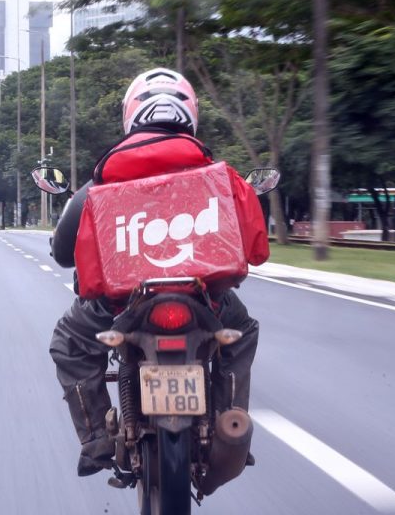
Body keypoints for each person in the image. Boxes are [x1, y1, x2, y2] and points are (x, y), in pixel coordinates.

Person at [48, 68, 268, 477]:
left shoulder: (99, 183)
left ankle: (97, 437)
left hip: (120, 303)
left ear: (130, 115)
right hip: (206, 301)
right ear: (191, 117)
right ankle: (229, 422)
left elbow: (63, 253)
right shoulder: (222, 177)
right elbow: (256, 250)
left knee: (70, 342)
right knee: (243, 333)